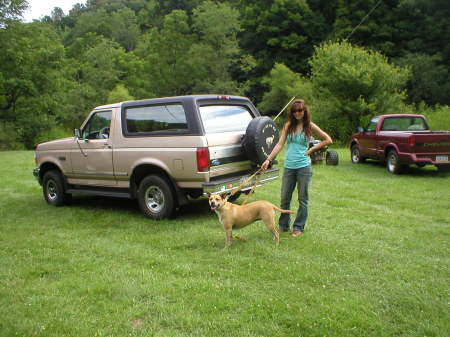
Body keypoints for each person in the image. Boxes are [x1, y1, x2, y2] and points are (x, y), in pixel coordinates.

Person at [261, 99, 332, 237]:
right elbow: (279, 145)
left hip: (303, 167)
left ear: (304, 111)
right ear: (291, 113)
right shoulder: (288, 126)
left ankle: (298, 227)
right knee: (284, 198)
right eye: (294, 111)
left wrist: (312, 150)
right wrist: (268, 159)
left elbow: (327, 139)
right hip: (289, 167)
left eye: (300, 110)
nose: (297, 113)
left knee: (302, 198)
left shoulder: (310, 126)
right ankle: (283, 225)